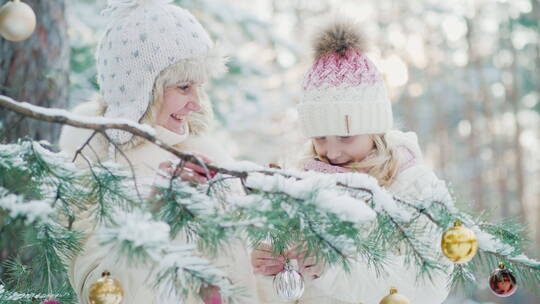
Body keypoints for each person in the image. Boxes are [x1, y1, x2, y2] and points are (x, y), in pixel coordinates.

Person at [59, 0, 257, 302]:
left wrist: (271, 264)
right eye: (183, 87)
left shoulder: (206, 154)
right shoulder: (93, 161)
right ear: (141, 89)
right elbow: (98, 290)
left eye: (199, 87)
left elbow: (242, 278)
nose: (198, 103)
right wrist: (155, 215)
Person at [251, 19, 453, 304]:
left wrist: (333, 267)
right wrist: (269, 270)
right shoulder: (301, 183)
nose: (332, 153)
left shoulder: (414, 186)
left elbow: (429, 287)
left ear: (374, 128)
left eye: (345, 137)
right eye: (320, 137)